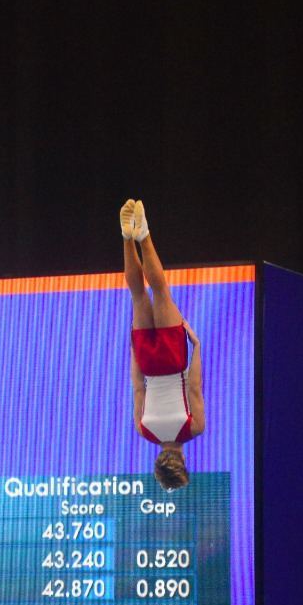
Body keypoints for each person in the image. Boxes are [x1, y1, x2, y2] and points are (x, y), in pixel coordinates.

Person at [120, 200, 204, 490]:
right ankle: (126, 238)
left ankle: (143, 234)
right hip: (147, 363)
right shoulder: (144, 431)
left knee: (160, 290)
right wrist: (134, 352)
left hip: (173, 360)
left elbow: (193, 387)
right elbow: (138, 387)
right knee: (138, 296)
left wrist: (197, 349)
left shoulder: (194, 428)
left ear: (183, 463)